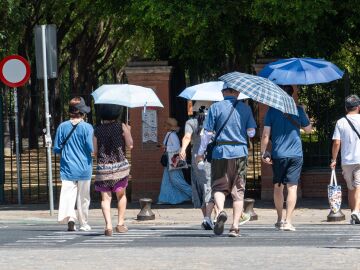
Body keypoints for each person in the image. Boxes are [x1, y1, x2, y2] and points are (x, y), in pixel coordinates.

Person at [196, 85, 257, 237]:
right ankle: (235, 227)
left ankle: (221, 211)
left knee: (218, 187)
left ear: (223, 92)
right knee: (238, 191)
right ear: (237, 92)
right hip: (240, 153)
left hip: (220, 153)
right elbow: (251, 133)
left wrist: (200, 153)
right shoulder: (245, 109)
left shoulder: (215, 108)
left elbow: (207, 134)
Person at [260, 85, 312, 232]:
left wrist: (263, 152)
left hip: (278, 154)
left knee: (278, 187)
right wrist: (304, 112)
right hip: (296, 154)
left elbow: (265, 135)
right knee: (292, 187)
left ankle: (279, 219)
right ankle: (289, 221)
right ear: (292, 95)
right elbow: (308, 130)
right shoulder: (298, 110)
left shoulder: (271, 111)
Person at [54, 97, 93, 232]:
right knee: (83, 197)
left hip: (67, 167)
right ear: (82, 112)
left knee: (68, 195)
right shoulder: (87, 127)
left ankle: (70, 218)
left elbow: (57, 148)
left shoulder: (62, 127)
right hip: (84, 167)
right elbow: (90, 147)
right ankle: (83, 223)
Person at [93, 104, 133, 236]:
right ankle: (120, 223)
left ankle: (108, 226)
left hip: (103, 168)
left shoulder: (97, 130)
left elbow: (94, 151)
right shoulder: (121, 127)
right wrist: (128, 131)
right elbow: (130, 145)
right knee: (121, 195)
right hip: (119, 167)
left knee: (105, 198)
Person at [179, 101, 215, 230]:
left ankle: (207, 217)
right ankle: (213, 216)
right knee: (212, 185)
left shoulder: (191, 122)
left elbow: (187, 137)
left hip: (196, 158)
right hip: (213, 156)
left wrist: (183, 149)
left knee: (200, 186)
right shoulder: (214, 121)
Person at [330, 94, 360, 225]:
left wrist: (334, 159)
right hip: (359, 159)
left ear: (346, 108)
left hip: (346, 161)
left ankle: (354, 212)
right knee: (359, 186)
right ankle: (356, 211)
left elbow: (337, 142)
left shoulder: (340, 122)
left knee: (351, 188)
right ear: (358, 107)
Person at [158, 118, 192, 204]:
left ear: (169, 126)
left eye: (165, 125)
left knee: (175, 180)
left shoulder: (172, 135)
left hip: (172, 162)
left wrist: (165, 147)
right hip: (170, 162)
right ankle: (165, 199)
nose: (164, 126)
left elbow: (176, 147)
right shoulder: (170, 134)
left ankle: (193, 194)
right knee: (167, 180)